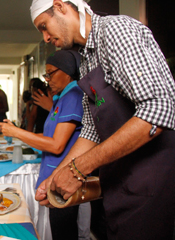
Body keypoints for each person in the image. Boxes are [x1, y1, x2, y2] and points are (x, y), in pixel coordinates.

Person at [30, 0, 175, 239]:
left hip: (151, 181)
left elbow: (157, 109)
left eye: (45, 26)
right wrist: (56, 176)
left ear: (61, 6)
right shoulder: (87, 61)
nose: (45, 38)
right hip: (119, 182)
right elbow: (91, 131)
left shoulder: (116, 30)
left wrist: (77, 170)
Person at [0, 50, 86, 240]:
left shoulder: (73, 96)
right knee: (59, 229)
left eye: (51, 73)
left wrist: (17, 133)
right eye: (46, 75)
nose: (48, 79)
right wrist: (18, 133)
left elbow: (56, 145)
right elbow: (47, 136)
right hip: (54, 177)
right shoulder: (61, 98)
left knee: (64, 231)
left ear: (68, 71)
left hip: (65, 177)